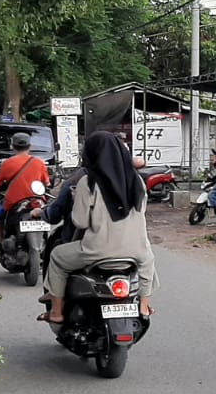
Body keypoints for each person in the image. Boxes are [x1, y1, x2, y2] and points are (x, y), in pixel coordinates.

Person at [40, 132, 156, 324]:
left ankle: (57, 312)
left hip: (97, 251)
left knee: (57, 257)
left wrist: (79, 200)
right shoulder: (138, 181)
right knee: (148, 263)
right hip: (138, 252)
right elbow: (141, 212)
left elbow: (80, 222)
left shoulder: (89, 182)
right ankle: (143, 305)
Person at [0, 132, 50, 253]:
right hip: (37, 201)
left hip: (13, 202)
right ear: (30, 146)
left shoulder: (7, 163)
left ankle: (0, 246)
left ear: (12, 146)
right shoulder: (39, 163)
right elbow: (46, 183)